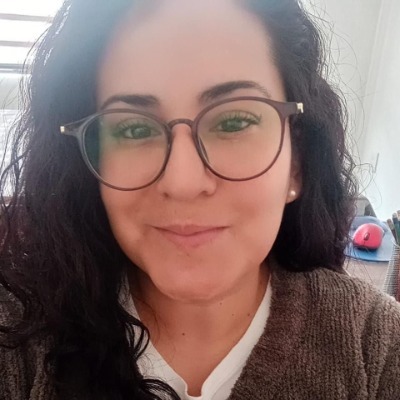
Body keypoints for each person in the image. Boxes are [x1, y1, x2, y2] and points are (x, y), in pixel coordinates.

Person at [1, 0, 399, 399]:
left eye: (234, 122)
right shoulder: (17, 338)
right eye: (134, 129)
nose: (183, 182)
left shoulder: (378, 349)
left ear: (295, 163)